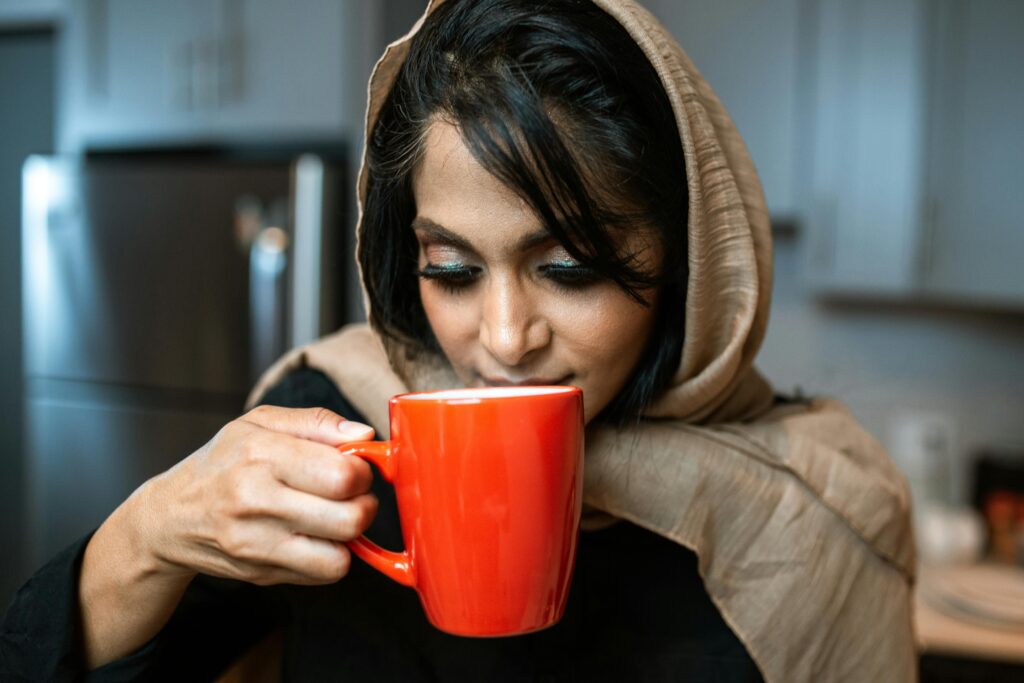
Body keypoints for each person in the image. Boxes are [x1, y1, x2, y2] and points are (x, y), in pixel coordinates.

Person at [1, 0, 917, 680]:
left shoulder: (816, 508)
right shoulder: (334, 423)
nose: (507, 339)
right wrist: (148, 535)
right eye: (451, 268)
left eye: (569, 267)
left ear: (687, 260)